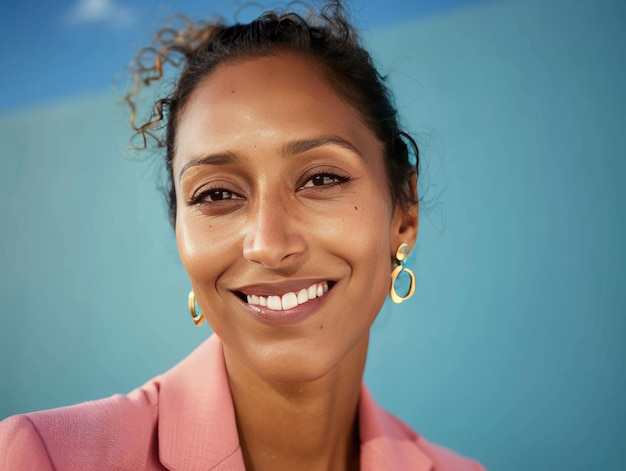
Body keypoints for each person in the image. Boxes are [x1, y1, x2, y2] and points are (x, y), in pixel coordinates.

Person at [0, 1, 486, 469]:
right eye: (215, 195)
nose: (269, 245)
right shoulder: (44, 458)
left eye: (321, 179)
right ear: (181, 233)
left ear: (403, 212)